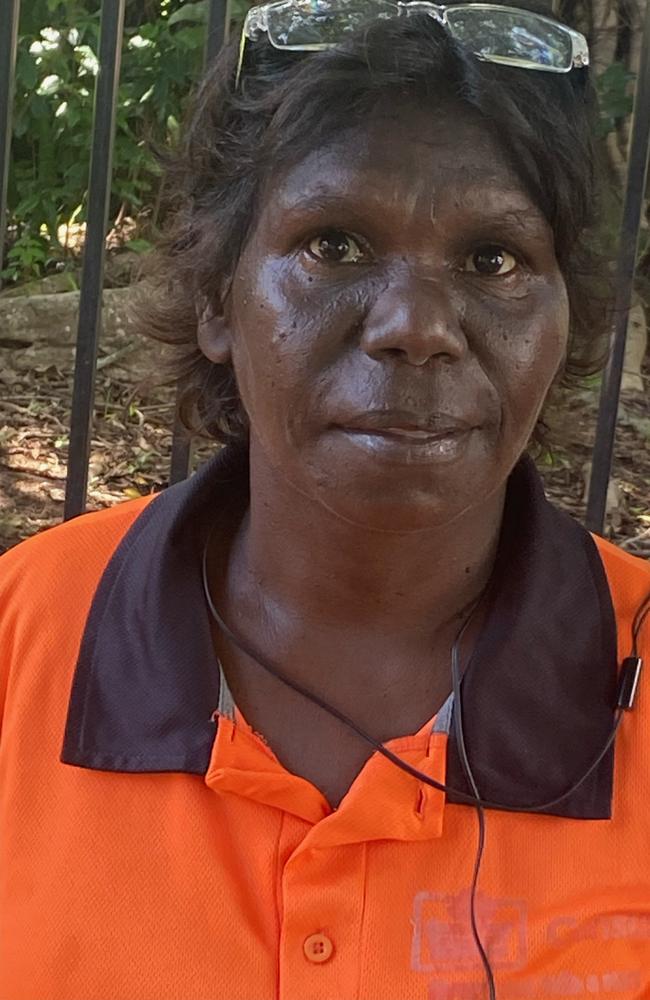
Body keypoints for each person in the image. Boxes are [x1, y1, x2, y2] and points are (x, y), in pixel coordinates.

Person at [1, 3, 649, 998]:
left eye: (492, 259)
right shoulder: (26, 635)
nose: (415, 326)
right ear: (218, 299)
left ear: (569, 322)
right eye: (334, 245)